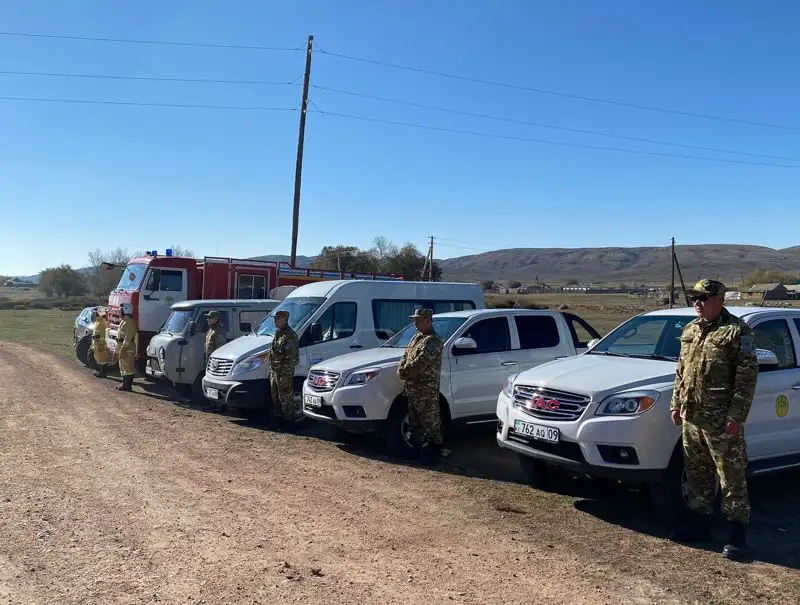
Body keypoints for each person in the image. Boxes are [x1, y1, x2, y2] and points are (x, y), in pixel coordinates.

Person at [669, 279, 758, 560]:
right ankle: (701, 524)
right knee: (697, 473)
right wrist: (676, 404)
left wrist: (736, 416)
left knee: (731, 475)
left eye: (704, 297)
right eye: (694, 297)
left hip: (722, 419)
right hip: (693, 415)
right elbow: (681, 371)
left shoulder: (736, 332)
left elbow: (746, 379)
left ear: (720, 299)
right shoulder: (690, 330)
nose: (697, 303)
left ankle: (737, 534)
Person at [397, 308, 447, 465]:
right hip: (413, 388)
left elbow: (421, 362)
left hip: (426, 390)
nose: (415, 323)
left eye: (418, 320)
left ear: (428, 320)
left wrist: (404, 372)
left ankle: (436, 452)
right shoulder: (416, 337)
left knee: (430, 421)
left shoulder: (433, 340)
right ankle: (418, 452)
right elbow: (406, 355)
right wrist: (401, 368)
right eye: (415, 320)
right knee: (415, 421)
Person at [268, 310, 299, 431]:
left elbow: (290, 358)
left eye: (277, 318)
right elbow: (273, 353)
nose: (275, 321)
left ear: (284, 319)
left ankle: (289, 424)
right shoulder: (278, 333)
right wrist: (271, 370)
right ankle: (278, 422)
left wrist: (285, 376)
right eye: (274, 318)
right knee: (276, 398)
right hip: (275, 371)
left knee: (286, 399)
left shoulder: (290, 335)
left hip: (283, 373)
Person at [116, 302, 138, 392]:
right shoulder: (124, 321)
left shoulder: (129, 322)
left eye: (120, 310)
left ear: (125, 310)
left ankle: (128, 386)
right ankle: (124, 384)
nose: (119, 312)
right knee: (123, 366)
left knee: (128, 367)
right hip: (123, 347)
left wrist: (124, 348)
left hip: (128, 348)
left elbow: (128, 337)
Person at [91, 308, 110, 378]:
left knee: (102, 359)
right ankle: (100, 371)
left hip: (100, 344)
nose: (95, 314)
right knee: (98, 358)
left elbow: (103, 335)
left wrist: (102, 344)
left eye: (96, 313)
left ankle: (103, 373)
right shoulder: (97, 322)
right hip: (96, 343)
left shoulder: (102, 323)